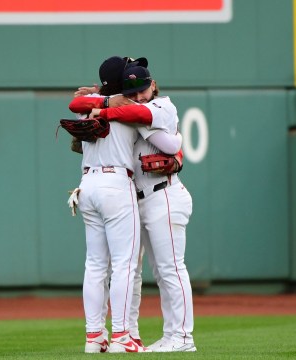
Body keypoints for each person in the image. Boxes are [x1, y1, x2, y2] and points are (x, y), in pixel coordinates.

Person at [69, 56, 182, 354]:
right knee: (123, 265)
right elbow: (170, 145)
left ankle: (94, 337)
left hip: (87, 184)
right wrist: (179, 137)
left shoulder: (92, 102)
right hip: (116, 184)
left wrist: (99, 97)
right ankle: (121, 335)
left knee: (94, 265)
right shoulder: (128, 109)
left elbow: (77, 109)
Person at [90, 66, 197, 352]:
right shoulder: (130, 111)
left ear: (153, 85)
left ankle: (183, 337)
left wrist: (103, 109)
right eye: (132, 93)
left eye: (143, 89)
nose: (139, 96)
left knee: (171, 269)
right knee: (154, 272)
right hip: (139, 198)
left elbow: (168, 140)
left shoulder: (162, 104)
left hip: (165, 194)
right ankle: (166, 334)